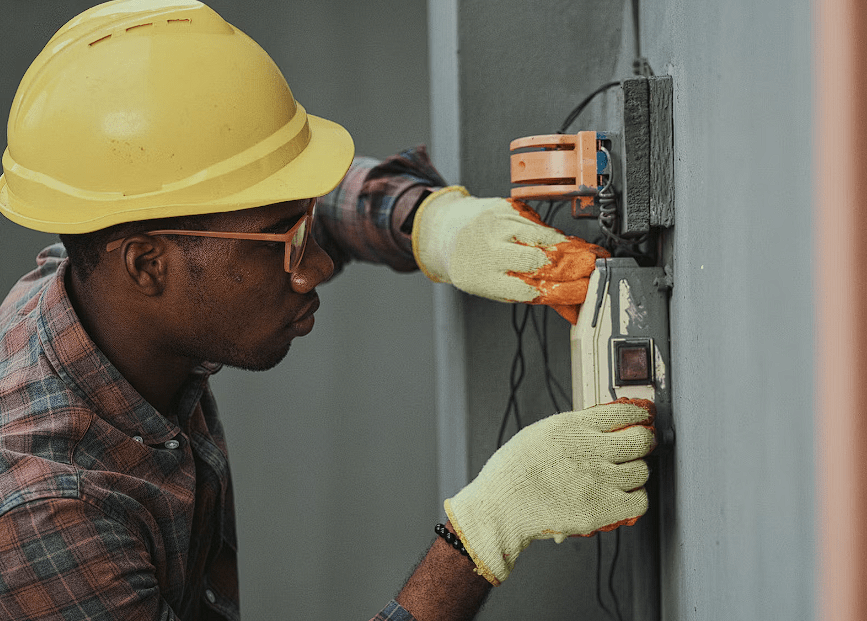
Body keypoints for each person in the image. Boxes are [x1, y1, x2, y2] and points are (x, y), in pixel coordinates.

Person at [0, 2, 656, 620]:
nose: (315, 264)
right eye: (286, 240)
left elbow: (255, 204)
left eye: (305, 223)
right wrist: (480, 535)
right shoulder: (49, 509)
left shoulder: (100, 270)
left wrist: (432, 223)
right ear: (147, 265)